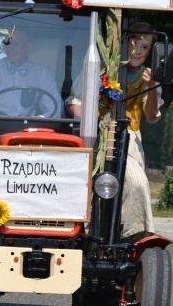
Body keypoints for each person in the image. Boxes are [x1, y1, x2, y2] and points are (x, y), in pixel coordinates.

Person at [66, 21, 161, 239]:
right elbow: (73, 101)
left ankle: (133, 234)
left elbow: (150, 115)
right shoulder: (103, 69)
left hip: (128, 139)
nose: (137, 51)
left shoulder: (149, 77)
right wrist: (91, 121)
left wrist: (152, 88)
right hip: (95, 135)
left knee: (135, 183)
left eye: (144, 47)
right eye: (133, 44)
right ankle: (87, 234)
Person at [0, 31, 63, 117]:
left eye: (15, 44)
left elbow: (55, 109)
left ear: (27, 46)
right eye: (7, 43)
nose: (10, 48)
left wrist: (37, 121)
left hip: (30, 133)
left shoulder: (42, 74)